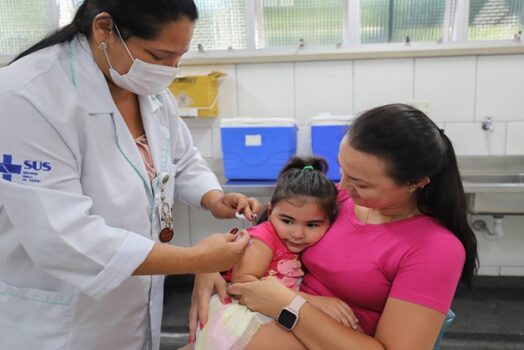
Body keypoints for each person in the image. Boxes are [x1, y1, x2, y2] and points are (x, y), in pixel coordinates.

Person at [0, 1, 260, 349]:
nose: (171, 69)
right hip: (59, 322)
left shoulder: (142, 85)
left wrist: (212, 198)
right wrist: (198, 259)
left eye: (178, 57)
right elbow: (64, 237)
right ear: (104, 28)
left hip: (131, 311)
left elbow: (179, 158)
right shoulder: (27, 96)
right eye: (159, 55)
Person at [189, 103, 479, 350]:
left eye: (362, 183)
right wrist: (210, 263)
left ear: (416, 182)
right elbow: (266, 229)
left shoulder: (436, 248)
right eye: (343, 170)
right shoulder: (339, 198)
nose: (343, 186)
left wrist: (289, 304)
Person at [195, 156, 344, 349]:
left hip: (266, 308)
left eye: (312, 224)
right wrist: (313, 303)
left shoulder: (298, 241)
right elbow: (243, 283)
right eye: (287, 221)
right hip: (238, 313)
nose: (298, 234)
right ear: (271, 210)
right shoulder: (264, 238)